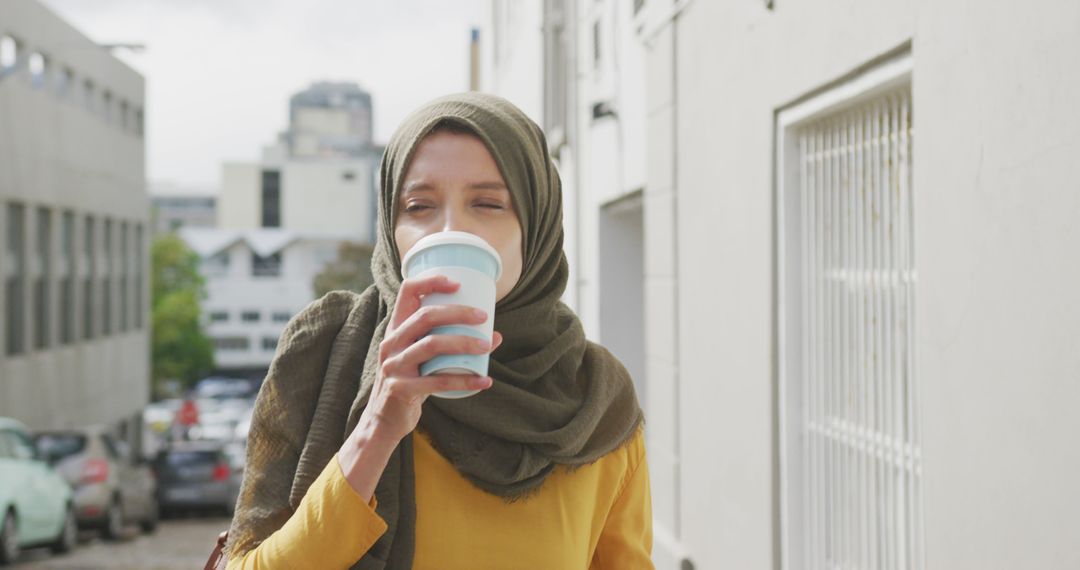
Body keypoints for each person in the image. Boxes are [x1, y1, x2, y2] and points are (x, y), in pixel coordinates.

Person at [221, 92, 651, 569]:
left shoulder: (596, 402)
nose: (450, 229)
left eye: (487, 204)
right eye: (419, 206)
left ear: (537, 223)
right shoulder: (324, 354)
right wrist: (377, 428)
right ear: (390, 227)